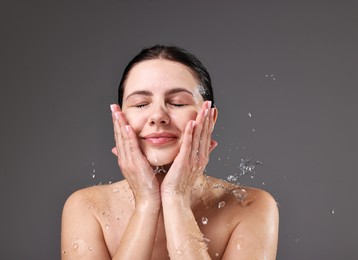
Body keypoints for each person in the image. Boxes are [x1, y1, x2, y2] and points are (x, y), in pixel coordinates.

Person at [61, 45, 279, 259]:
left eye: (177, 103)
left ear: (210, 120)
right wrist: (146, 203)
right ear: (119, 120)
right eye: (140, 104)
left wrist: (176, 198)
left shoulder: (250, 206)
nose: (158, 116)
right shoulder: (87, 208)